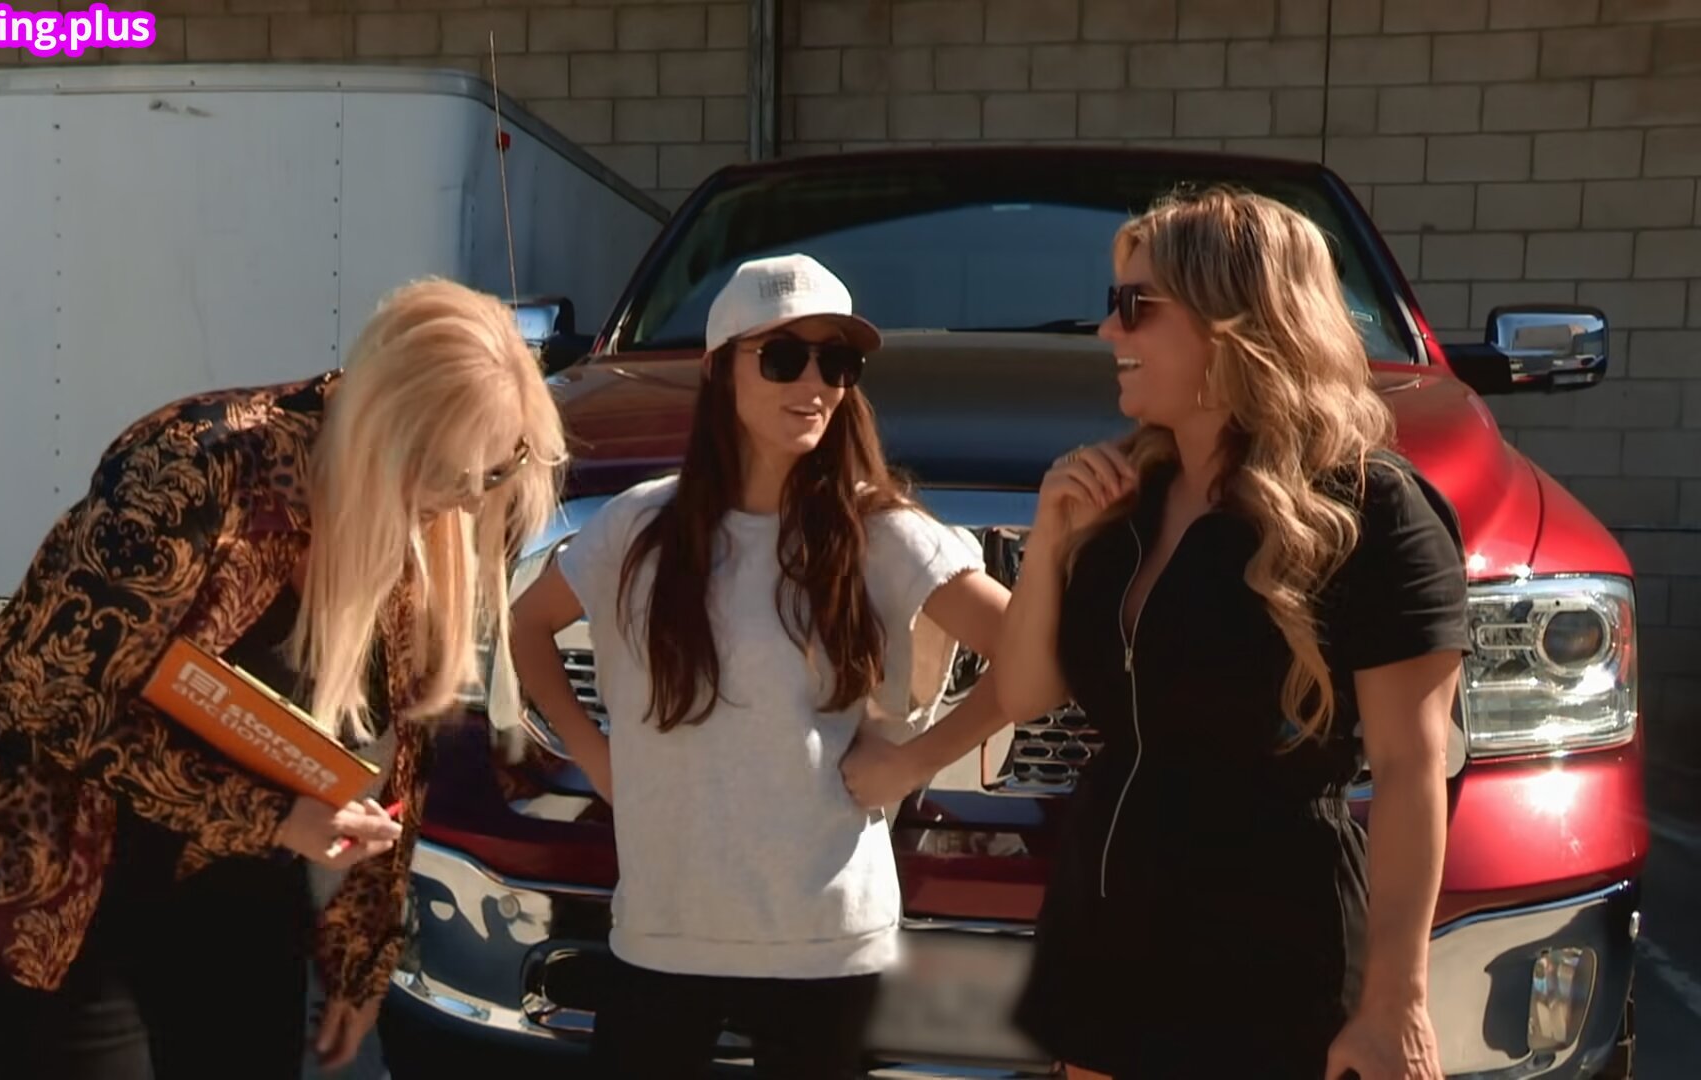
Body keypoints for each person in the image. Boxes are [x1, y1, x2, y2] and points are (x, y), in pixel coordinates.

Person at [0, 278, 567, 1080]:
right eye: (451, 474)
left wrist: (362, 959)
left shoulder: (419, 529)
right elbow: (52, 702)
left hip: (231, 869)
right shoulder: (194, 473)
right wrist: (275, 819)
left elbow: (399, 762)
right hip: (51, 853)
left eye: (496, 473)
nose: (465, 502)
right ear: (383, 433)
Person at [993, 188, 1469, 1080]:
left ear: (1233, 323)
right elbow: (1024, 695)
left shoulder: (1371, 512)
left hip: (1269, 960)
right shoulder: (1124, 495)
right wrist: (1049, 541)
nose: (1107, 331)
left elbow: (1412, 768)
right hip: (1106, 938)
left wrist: (1396, 1004)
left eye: (1135, 305)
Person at [508, 253, 1013, 1079]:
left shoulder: (881, 532)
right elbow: (528, 626)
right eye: (782, 357)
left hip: (826, 943)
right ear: (720, 371)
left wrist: (913, 763)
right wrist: (597, 758)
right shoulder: (639, 525)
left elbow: (1036, 656)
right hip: (664, 933)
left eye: (835, 362)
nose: (813, 383)